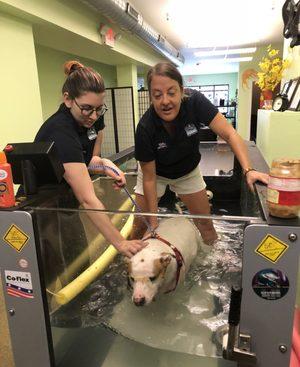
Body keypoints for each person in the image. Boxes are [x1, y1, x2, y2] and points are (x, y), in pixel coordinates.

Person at [132, 62, 269, 244]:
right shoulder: (144, 128)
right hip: (155, 174)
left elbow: (230, 134)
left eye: (171, 93)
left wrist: (248, 170)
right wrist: (153, 223)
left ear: (182, 91)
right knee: (139, 227)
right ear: (151, 97)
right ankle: (129, 262)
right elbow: (149, 179)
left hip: (187, 172)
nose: (165, 101)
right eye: (157, 95)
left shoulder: (195, 102)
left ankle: (215, 264)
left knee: (206, 225)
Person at [35, 60, 147, 258]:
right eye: (87, 109)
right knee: (55, 269)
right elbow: (88, 200)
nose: (94, 116)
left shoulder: (84, 121)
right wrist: (121, 243)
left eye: (99, 109)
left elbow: (83, 163)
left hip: (66, 203)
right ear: (68, 99)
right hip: (42, 210)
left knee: (78, 255)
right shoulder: (61, 132)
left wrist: (106, 165)